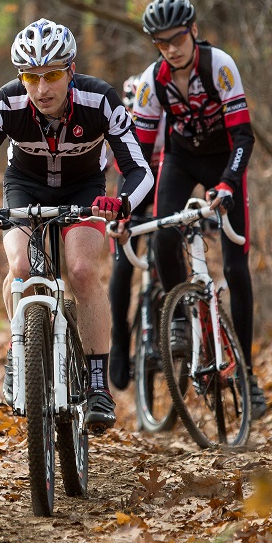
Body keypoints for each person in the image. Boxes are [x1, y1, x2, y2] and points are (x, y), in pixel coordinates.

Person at [0, 18, 152, 432]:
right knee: (20, 266)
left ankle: (97, 384)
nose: (42, 88)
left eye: (53, 75)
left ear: (71, 70)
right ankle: (17, 350)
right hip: (25, 186)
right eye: (31, 77)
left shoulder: (100, 100)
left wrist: (122, 203)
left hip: (84, 187)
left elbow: (139, 169)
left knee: (82, 270)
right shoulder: (6, 103)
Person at [128, 0, 267, 418]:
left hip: (225, 159)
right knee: (162, 236)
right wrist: (126, 207)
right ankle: (178, 319)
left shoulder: (219, 65)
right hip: (181, 160)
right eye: (161, 42)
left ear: (193, 31)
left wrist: (227, 183)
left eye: (177, 38)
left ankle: (246, 373)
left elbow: (244, 136)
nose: (171, 49)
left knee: (237, 269)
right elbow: (139, 155)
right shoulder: (152, 82)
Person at [107, 77, 163, 390]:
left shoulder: (165, 116)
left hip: (164, 179)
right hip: (131, 185)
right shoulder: (120, 124)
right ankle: (119, 337)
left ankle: (176, 318)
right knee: (123, 266)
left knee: (173, 240)